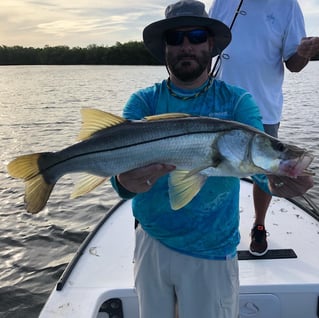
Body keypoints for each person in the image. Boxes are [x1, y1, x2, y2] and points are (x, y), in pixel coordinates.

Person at [111, 1, 313, 317]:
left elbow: (257, 166)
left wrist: (276, 180)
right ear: (165, 48)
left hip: (213, 249)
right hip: (151, 239)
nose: (186, 46)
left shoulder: (237, 102)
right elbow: (119, 178)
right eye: (175, 39)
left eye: (195, 36)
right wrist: (123, 183)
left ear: (211, 44)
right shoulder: (143, 103)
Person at [209, 0, 319, 256]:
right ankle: (218, 225)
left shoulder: (288, 5)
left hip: (263, 107)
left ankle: (259, 224)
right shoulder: (221, 2)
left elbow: (294, 64)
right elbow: (207, 47)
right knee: (215, 165)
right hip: (219, 103)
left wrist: (305, 52)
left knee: (268, 169)